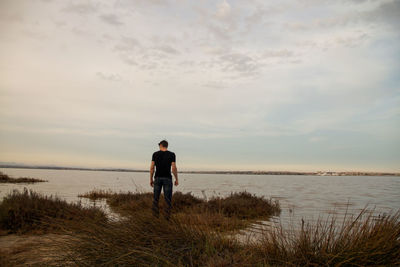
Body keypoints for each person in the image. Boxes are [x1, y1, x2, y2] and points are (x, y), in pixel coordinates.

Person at [150, 140, 178, 220]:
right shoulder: (172, 154)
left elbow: (152, 168)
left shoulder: (155, 154)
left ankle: (155, 218)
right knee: (168, 199)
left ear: (161, 145)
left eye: (159, 145)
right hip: (167, 178)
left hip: (157, 178)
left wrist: (151, 179)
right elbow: (174, 168)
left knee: (155, 199)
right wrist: (176, 179)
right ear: (166, 145)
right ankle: (167, 219)